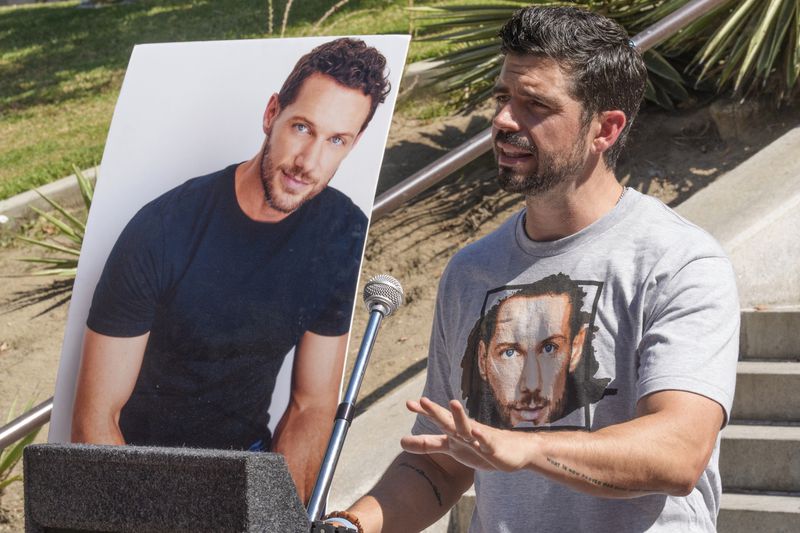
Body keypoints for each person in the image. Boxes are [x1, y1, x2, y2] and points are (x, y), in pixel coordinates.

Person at [324, 7, 739, 532]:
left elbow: (679, 451)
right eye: (502, 98)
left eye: (535, 105)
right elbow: (440, 463)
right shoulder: (471, 271)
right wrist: (351, 526)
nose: (502, 120)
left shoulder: (677, 262)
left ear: (605, 129)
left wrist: (525, 447)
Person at [70, 37, 391, 503]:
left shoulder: (341, 232)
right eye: (302, 127)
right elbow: (95, 420)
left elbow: (313, 404)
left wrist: (280, 514)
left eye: (336, 140)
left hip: (248, 467)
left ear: (354, 144)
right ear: (271, 114)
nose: (309, 162)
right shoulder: (162, 230)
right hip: (142, 469)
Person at [461, 273, 609, 429]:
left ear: (576, 349)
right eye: (509, 352)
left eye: (549, 348)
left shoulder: (631, 264)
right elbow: (437, 443)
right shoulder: (462, 273)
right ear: (482, 359)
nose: (532, 385)